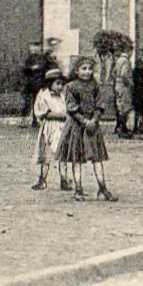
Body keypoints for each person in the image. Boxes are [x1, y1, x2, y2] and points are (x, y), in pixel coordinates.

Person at [57, 56, 117, 201]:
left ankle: (103, 189)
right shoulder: (71, 87)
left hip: (93, 127)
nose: (87, 72)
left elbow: (100, 105)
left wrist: (94, 120)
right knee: (76, 158)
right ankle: (78, 189)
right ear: (76, 71)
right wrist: (84, 121)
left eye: (90, 69)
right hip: (77, 127)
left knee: (97, 159)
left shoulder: (95, 86)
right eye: (84, 69)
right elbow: (71, 108)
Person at [32, 68, 71, 191]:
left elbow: (67, 108)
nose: (60, 87)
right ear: (50, 83)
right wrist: (63, 116)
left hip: (62, 127)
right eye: (57, 83)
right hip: (50, 127)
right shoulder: (44, 95)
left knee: (62, 153)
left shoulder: (62, 96)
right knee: (46, 154)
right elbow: (45, 113)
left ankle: (64, 179)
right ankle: (42, 180)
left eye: (61, 84)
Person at [20, 44, 49, 128]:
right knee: (27, 103)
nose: (34, 49)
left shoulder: (43, 59)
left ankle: (35, 120)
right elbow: (24, 71)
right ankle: (24, 122)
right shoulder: (29, 59)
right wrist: (31, 68)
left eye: (36, 47)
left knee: (38, 102)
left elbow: (45, 70)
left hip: (39, 84)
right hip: (30, 84)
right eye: (32, 47)